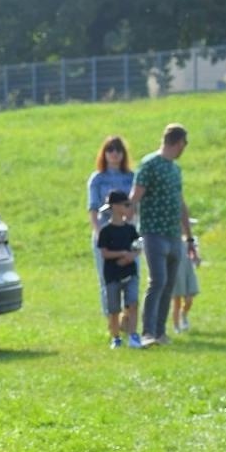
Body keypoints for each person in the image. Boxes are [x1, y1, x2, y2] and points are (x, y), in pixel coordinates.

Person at [130, 124, 199, 346]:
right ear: (179, 142)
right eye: (184, 145)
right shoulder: (149, 164)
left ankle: (160, 332)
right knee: (157, 281)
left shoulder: (175, 170)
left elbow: (181, 204)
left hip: (173, 235)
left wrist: (188, 239)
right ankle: (148, 332)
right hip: (153, 233)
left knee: (168, 284)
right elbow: (136, 196)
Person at [87, 136, 135, 345]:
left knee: (132, 276)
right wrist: (99, 233)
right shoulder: (97, 179)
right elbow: (93, 209)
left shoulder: (131, 177)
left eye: (118, 150)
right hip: (106, 234)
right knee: (107, 281)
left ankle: (128, 319)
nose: (114, 153)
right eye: (110, 149)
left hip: (126, 234)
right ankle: (112, 323)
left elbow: (134, 206)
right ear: (104, 153)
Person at [94, 190, 141, 349]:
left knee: (133, 303)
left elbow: (138, 247)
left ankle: (133, 335)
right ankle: (116, 337)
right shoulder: (106, 231)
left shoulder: (130, 229)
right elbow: (104, 253)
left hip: (130, 272)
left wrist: (130, 257)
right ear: (115, 207)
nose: (128, 208)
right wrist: (121, 254)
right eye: (125, 205)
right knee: (114, 308)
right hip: (112, 274)